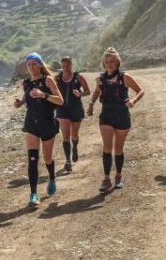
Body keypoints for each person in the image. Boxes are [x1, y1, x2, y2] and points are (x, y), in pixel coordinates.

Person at [86, 47, 145, 192]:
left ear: (117, 62)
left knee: (118, 149)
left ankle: (118, 176)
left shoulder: (124, 77)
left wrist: (134, 100)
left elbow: (141, 90)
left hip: (122, 116)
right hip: (106, 116)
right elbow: (96, 92)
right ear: (103, 63)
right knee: (107, 148)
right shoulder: (100, 79)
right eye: (107, 62)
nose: (109, 64)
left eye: (112, 61)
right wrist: (91, 104)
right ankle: (106, 179)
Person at [14, 53, 64, 207]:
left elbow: (60, 101)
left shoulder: (47, 80)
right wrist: (19, 103)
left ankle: (52, 176)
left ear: (40, 65)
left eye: (34, 64)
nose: (31, 67)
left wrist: (44, 95)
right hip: (31, 123)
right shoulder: (26, 83)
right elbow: (25, 98)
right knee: (32, 159)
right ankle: (33, 194)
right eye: (28, 64)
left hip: (47, 122)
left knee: (47, 157)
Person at [54, 56, 91, 172]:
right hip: (62, 110)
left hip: (76, 109)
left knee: (74, 135)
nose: (66, 68)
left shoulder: (78, 77)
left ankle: (74, 147)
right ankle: (68, 161)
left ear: (71, 64)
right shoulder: (57, 78)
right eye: (63, 66)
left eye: (68, 65)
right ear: (61, 66)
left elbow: (88, 91)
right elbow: (51, 91)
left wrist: (80, 94)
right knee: (65, 136)